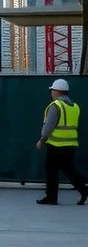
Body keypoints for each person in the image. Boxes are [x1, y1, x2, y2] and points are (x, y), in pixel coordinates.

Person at [35, 78, 88, 206]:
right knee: (69, 170)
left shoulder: (56, 106)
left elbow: (49, 126)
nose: (51, 93)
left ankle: (51, 198)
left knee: (51, 172)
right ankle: (84, 189)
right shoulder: (74, 107)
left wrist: (42, 139)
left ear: (57, 91)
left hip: (56, 145)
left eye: (52, 90)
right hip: (70, 145)